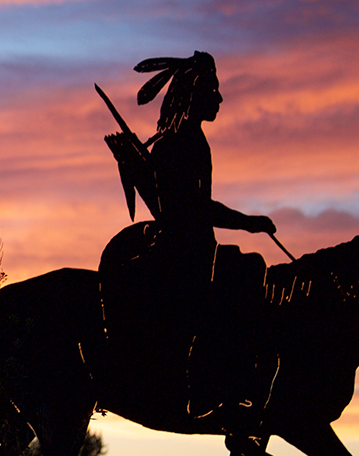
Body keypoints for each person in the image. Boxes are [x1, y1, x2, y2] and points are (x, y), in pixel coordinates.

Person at [98, 53, 276, 425]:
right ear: (193, 94)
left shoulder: (190, 139)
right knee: (236, 284)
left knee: (251, 270)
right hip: (180, 252)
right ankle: (212, 387)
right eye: (213, 90)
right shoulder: (177, 143)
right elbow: (190, 207)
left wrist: (246, 223)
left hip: (197, 247)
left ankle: (237, 382)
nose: (220, 98)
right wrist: (247, 222)